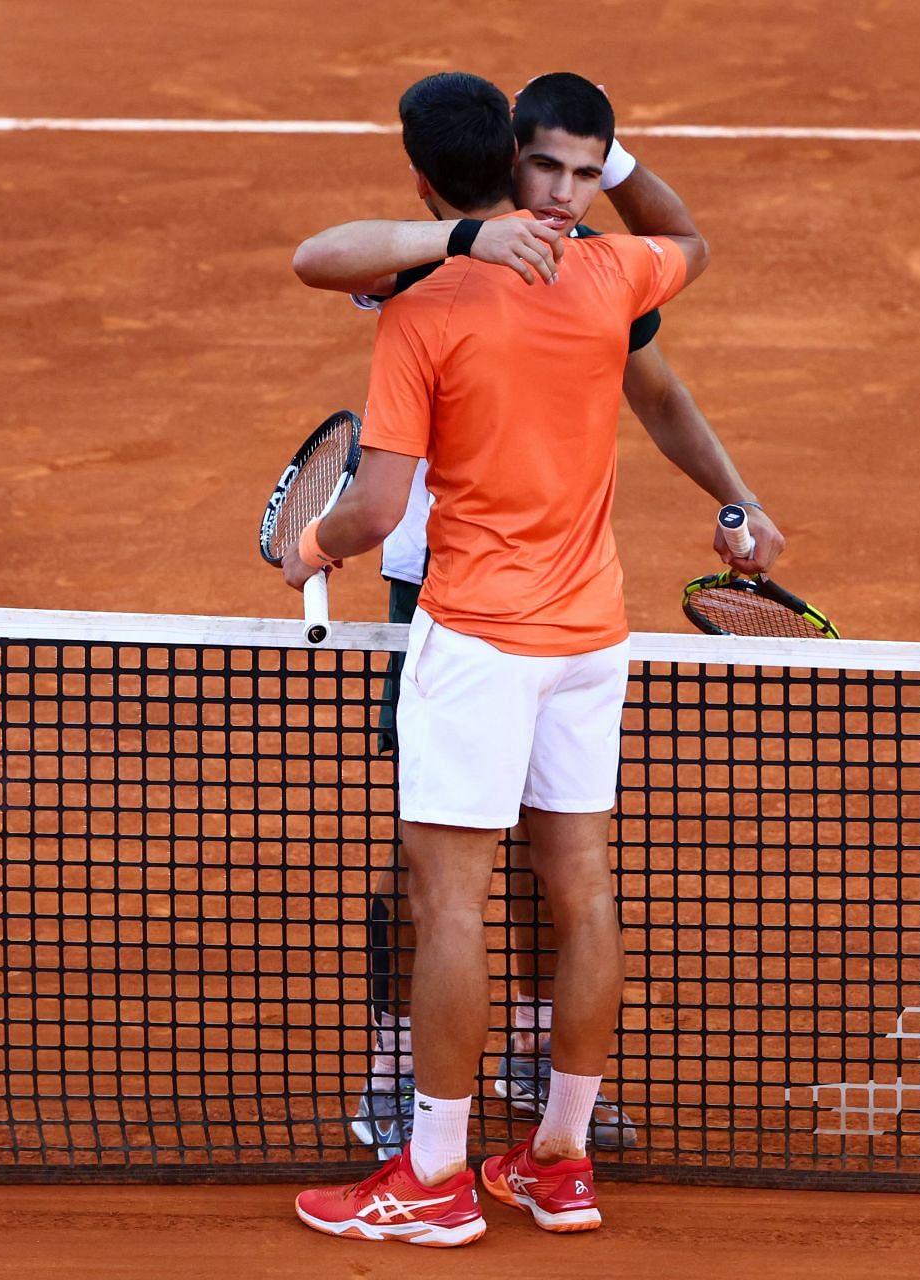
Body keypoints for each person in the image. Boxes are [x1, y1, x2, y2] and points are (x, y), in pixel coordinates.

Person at [291, 71, 785, 1167]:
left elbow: (654, 390)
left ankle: (523, 1051)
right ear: (507, 160)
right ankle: (399, 1059)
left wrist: (732, 494)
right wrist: (469, 234)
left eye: (585, 170)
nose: (565, 188)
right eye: (549, 166)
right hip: (444, 584)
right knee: (435, 864)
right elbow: (323, 257)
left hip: (530, 610)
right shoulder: (424, 262)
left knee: (529, 859)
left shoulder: (596, 261)